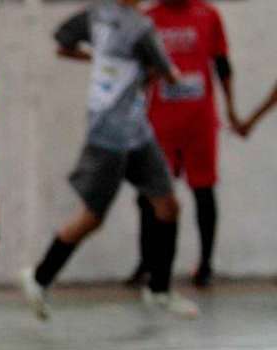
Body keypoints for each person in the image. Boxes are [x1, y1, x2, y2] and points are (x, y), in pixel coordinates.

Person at [20, 0, 199, 320]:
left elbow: (62, 42)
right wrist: (166, 75)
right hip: (112, 135)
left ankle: (159, 289)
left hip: (134, 130)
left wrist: (101, 59)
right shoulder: (139, 27)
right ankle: (38, 277)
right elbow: (169, 73)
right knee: (92, 216)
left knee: (167, 204)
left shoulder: (96, 14)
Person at [127, 0, 243, 289]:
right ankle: (148, 263)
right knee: (150, 196)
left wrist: (230, 107)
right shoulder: (148, 18)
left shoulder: (208, 15)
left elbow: (222, 63)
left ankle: (205, 264)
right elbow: (135, 70)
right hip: (159, 123)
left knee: (203, 190)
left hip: (199, 121)